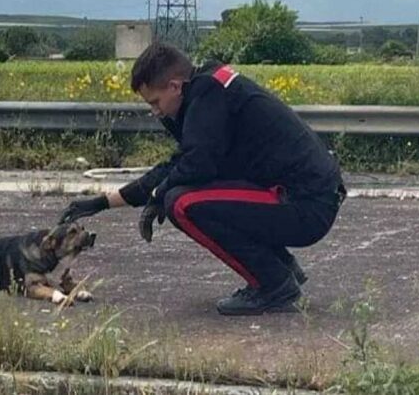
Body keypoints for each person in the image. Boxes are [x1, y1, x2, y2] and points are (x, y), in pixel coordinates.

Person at [59, 42, 345, 315]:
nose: (155, 111)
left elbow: (196, 167)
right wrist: (104, 203)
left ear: (174, 86)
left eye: (155, 102)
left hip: (305, 205)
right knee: (179, 193)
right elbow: (180, 165)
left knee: (182, 203)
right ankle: (279, 269)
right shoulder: (207, 90)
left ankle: (274, 285)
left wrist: (159, 195)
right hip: (305, 198)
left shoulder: (209, 96)